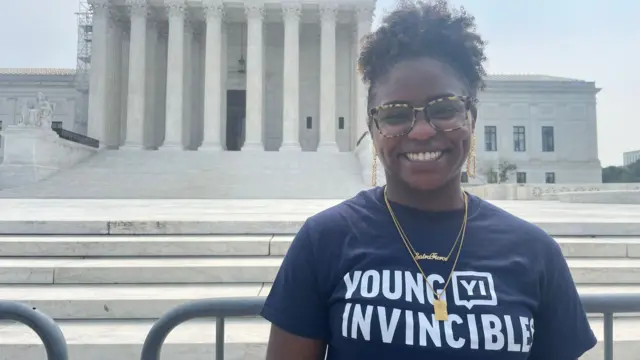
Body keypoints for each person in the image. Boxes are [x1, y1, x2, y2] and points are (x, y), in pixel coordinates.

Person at [260, 1, 597, 359]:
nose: (421, 131)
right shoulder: (323, 242)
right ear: (373, 128)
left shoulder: (535, 254)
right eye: (395, 114)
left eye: (444, 109)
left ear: (471, 117)